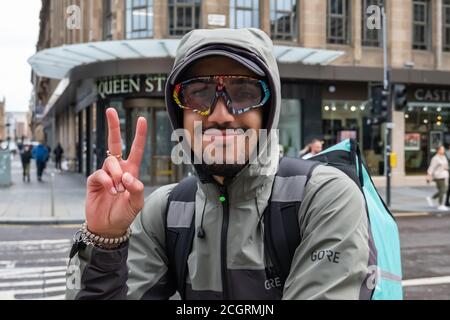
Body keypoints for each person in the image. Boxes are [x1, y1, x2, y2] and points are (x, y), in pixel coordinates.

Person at [66, 28, 373, 300]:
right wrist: (105, 243)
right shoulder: (164, 211)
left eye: (244, 92)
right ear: (179, 115)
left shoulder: (325, 197)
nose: (221, 114)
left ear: (270, 109)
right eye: (199, 94)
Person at [426, 145, 449, 211]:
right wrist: (429, 175)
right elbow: (431, 167)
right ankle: (440, 205)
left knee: (444, 190)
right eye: (442, 149)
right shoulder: (435, 158)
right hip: (438, 176)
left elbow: (445, 165)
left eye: (444, 149)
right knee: (443, 189)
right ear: (438, 150)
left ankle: (431, 198)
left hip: (444, 175)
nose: (443, 150)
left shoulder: (444, 157)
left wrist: (446, 168)